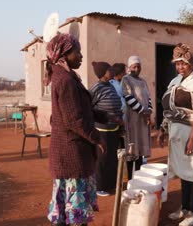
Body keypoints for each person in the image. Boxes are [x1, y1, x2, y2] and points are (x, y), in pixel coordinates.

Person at [45, 33, 107, 226]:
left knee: (70, 212)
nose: (81, 56)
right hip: (72, 155)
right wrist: (97, 138)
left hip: (70, 154)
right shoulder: (65, 81)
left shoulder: (68, 77)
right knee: (75, 215)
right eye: (77, 52)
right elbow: (74, 119)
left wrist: (104, 117)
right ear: (64, 54)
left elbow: (79, 109)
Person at [158, 43, 193, 226]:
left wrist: (192, 139)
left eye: (184, 64)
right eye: (177, 64)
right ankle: (185, 208)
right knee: (184, 172)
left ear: (192, 63)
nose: (180, 67)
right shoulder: (176, 81)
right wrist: (163, 128)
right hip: (177, 133)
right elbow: (170, 108)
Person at [89, 61, 123, 197]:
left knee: (112, 158)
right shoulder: (96, 88)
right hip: (102, 129)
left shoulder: (110, 85)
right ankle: (99, 186)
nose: (112, 72)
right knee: (102, 158)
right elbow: (89, 106)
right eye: (109, 70)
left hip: (114, 128)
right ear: (103, 73)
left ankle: (110, 184)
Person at [121, 55, 153, 179]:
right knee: (132, 147)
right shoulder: (126, 79)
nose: (136, 69)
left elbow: (148, 98)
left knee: (140, 149)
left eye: (138, 66)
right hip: (133, 119)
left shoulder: (143, 81)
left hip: (143, 120)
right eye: (134, 67)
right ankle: (130, 178)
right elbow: (128, 98)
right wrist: (143, 111)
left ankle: (138, 176)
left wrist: (149, 111)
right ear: (129, 68)